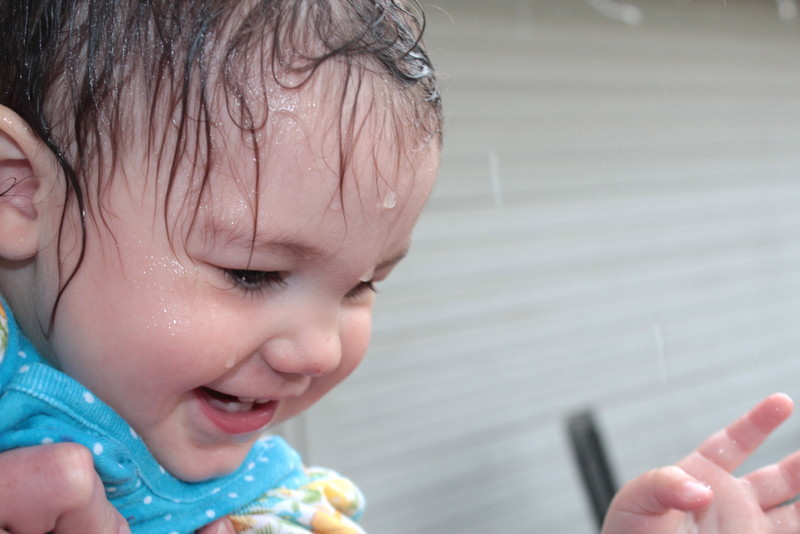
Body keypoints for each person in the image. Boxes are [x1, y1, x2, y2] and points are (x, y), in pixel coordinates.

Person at [1, 2, 800, 534]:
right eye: (252, 274)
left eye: (361, 285)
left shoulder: (274, 508)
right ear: (20, 191)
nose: (319, 350)